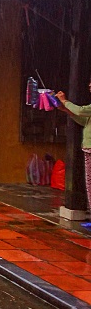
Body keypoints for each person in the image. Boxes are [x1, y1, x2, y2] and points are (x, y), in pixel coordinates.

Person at [56, 84, 91, 213]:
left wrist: (65, 101)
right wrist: (66, 110)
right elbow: (83, 120)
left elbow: (81, 111)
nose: (89, 85)